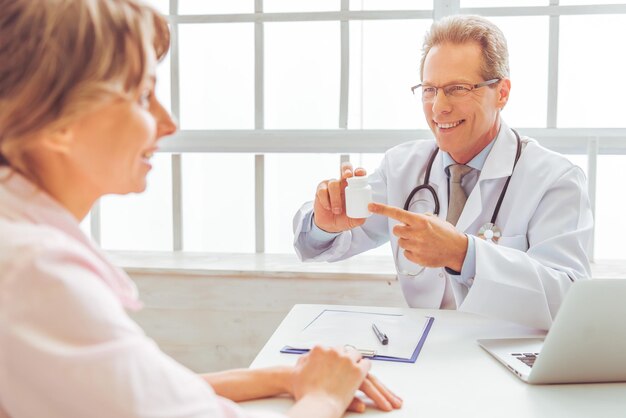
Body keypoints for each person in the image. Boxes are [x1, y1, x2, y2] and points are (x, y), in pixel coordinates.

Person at [0, 1, 403, 417]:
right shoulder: (34, 273)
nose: (168, 122)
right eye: (142, 96)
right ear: (57, 120)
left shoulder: (19, 241)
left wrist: (284, 377)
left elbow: (132, 387)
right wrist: (323, 398)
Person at [293, 15, 593, 331]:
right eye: (429, 89)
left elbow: (569, 298)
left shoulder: (555, 180)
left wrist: (463, 254)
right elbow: (318, 244)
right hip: (423, 354)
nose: (438, 108)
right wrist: (324, 224)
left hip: (507, 360)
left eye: (457, 89)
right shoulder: (403, 167)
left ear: (501, 92)